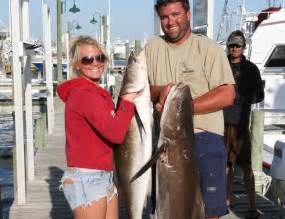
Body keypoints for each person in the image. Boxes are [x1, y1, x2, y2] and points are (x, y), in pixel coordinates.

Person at [144, 0, 236, 218]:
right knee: (169, 211)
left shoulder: (208, 48)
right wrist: (159, 91)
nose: (170, 22)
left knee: (209, 211)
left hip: (205, 138)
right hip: (166, 144)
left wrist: (180, 109)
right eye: (164, 17)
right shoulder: (151, 48)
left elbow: (227, 94)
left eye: (175, 14)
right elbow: (136, 91)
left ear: (187, 14)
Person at [57, 36, 138, 219]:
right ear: (77, 64)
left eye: (99, 57)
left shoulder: (94, 93)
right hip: (87, 178)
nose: (95, 63)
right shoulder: (85, 94)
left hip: (103, 176)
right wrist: (127, 101)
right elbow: (116, 134)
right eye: (87, 59)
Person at [223, 30, 264, 218]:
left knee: (247, 166)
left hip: (241, 125)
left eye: (238, 45)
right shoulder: (221, 65)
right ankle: (227, 201)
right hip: (221, 124)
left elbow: (259, 95)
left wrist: (240, 98)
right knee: (226, 165)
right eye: (231, 45)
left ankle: (252, 205)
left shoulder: (252, 69)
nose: (234, 48)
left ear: (244, 47)